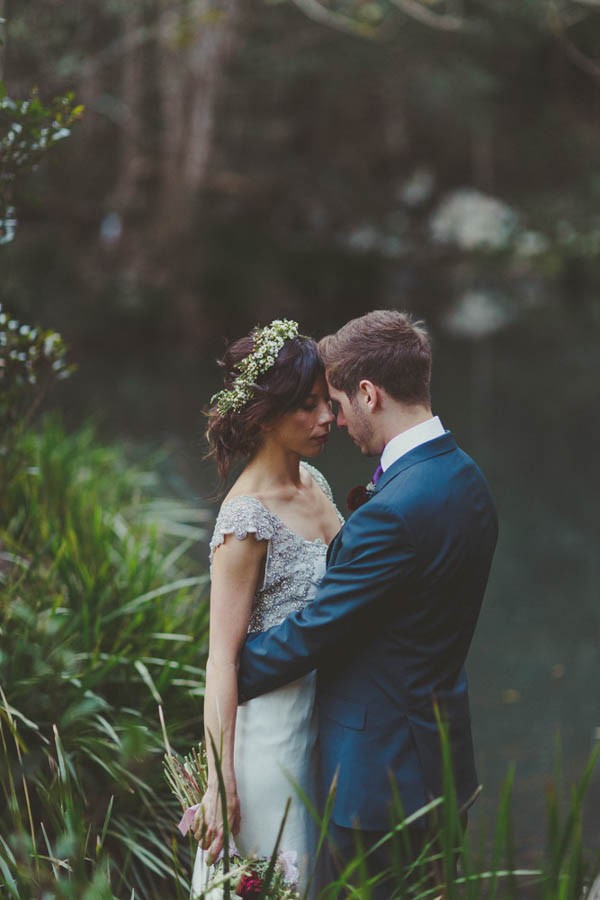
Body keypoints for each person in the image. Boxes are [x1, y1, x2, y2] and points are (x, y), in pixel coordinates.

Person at [237, 309, 499, 896]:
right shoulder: (467, 479)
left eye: (336, 401)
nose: (333, 418)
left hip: (377, 785)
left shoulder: (395, 511)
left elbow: (315, 630)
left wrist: (226, 673)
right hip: (441, 765)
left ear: (368, 393)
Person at [191, 319, 342, 898]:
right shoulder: (245, 519)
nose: (327, 418)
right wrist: (219, 777)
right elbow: (221, 661)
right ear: (265, 415)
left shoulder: (318, 484)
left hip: (323, 723)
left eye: (326, 403)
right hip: (270, 742)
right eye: (308, 407)